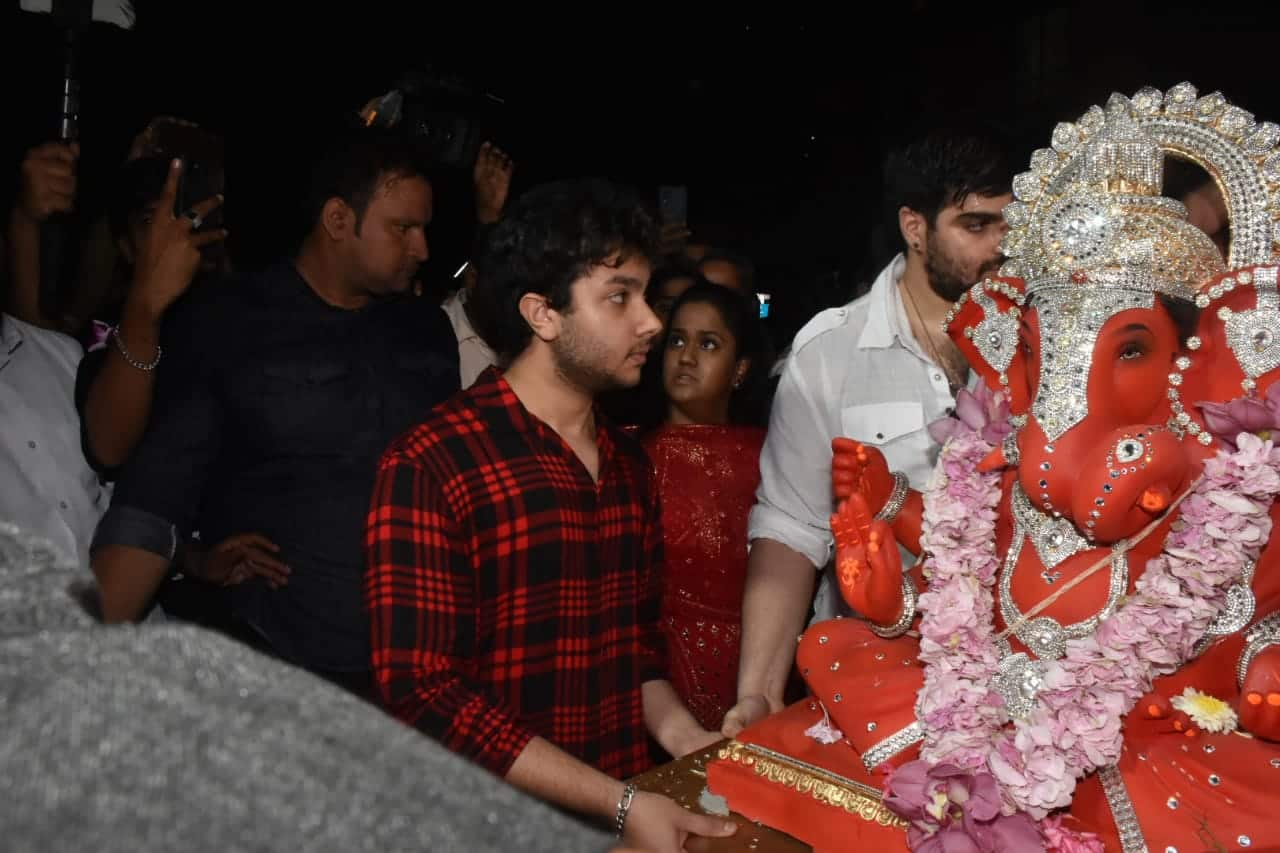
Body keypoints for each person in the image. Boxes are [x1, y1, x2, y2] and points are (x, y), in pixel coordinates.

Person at [365, 178, 736, 852]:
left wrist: (688, 740)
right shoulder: (433, 461)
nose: (651, 321)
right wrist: (620, 802)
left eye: (646, 296)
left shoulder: (628, 463)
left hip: (618, 818)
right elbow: (425, 695)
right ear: (542, 313)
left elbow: (636, 647)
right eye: (620, 297)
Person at [91, 129, 459, 697]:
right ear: (338, 221)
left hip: (413, 671)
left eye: (425, 229)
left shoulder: (426, 333)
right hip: (273, 664)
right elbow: (151, 495)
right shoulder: (230, 323)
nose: (423, 249)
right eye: (403, 229)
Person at [723, 126, 1014, 737]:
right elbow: (790, 528)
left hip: (1019, 679)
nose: (1000, 248)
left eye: (1010, 227)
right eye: (976, 226)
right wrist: (757, 691)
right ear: (915, 226)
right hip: (873, 681)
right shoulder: (831, 351)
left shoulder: (1041, 341)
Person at [642, 282, 772, 730]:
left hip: (757, 675)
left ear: (739, 370)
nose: (687, 356)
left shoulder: (773, 457)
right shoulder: (629, 457)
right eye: (676, 340)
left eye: (708, 344)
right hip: (656, 688)